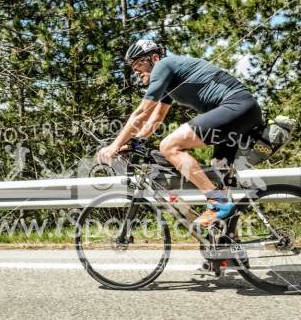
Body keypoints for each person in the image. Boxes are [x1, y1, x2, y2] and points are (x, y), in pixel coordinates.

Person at [97, 39, 264, 227]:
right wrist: (136, 141)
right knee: (219, 168)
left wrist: (114, 146)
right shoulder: (169, 80)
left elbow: (141, 113)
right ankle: (229, 244)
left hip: (236, 106)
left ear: (155, 57)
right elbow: (156, 117)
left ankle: (218, 203)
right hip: (244, 112)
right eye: (132, 66)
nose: (135, 70)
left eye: (139, 63)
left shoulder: (163, 66)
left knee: (169, 146)